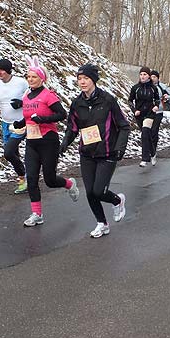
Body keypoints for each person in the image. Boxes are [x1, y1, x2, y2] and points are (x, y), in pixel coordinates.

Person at [59, 64, 130, 238]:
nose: (82, 82)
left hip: (107, 153)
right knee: (90, 192)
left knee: (99, 191)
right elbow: (73, 128)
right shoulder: (77, 103)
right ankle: (102, 223)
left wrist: (119, 148)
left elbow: (124, 126)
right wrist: (64, 143)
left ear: (94, 80)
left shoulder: (108, 100)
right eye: (79, 79)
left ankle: (117, 200)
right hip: (87, 153)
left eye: (86, 79)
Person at [13, 55, 79, 227]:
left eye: (34, 77)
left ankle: (69, 184)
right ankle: (37, 214)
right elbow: (28, 116)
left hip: (49, 141)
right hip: (32, 142)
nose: (30, 79)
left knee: (49, 180)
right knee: (32, 178)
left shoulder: (48, 95)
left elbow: (61, 114)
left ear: (42, 78)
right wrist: (20, 123)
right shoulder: (27, 96)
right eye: (28, 77)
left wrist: (42, 119)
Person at [0, 59, 28, 193]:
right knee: (13, 153)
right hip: (5, 123)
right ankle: (23, 180)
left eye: (2, 69)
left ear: (8, 70)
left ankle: (25, 174)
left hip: (20, 123)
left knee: (8, 152)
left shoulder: (21, 83)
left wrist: (21, 103)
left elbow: (33, 98)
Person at [129, 67, 160, 167]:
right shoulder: (135, 88)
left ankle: (145, 159)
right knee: (146, 135)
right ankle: (153, 153)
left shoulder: (153, 88)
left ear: (149, 76)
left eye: (145, 74)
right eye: (141, 74)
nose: (142, 76)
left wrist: (156, 106)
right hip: (139, 114)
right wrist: (134, 110)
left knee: (145, 132)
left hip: (150, 113)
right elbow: (130, 101)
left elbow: (157, 99)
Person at [150, 70, 170, 159]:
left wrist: (167, 97)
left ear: (158, 78)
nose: (152, 79)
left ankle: (153, 149)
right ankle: (149, 149)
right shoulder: (146, 86)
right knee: (147, 132)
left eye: (154, 77)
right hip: (148, 112)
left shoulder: (162, 86)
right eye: (151, 77)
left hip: (159, 112)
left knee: (154, 130)